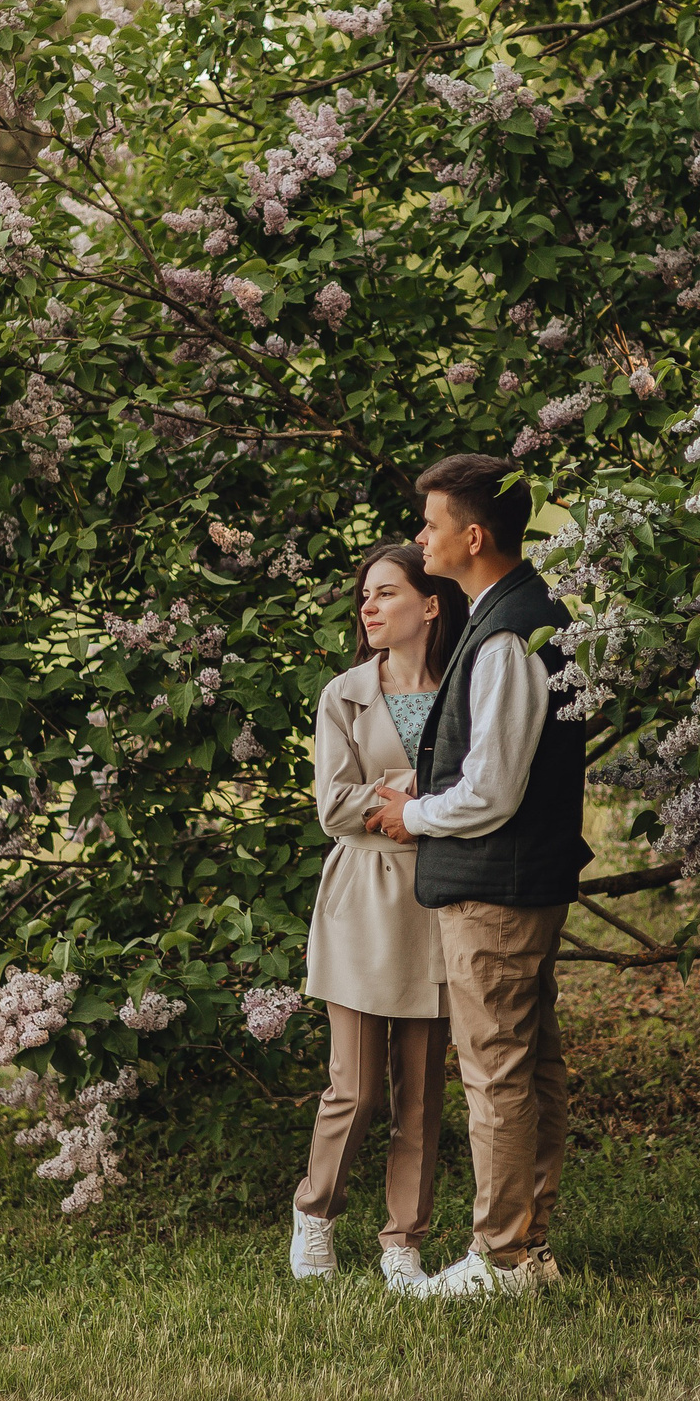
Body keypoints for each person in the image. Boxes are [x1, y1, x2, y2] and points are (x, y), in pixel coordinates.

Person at [368, 454, 593, 1299]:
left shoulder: (505, 635)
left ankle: (501, 1259)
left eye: (430, 524)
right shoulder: (518, 612)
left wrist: (414, 815)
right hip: (519, 878)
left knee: (496, 1070)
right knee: (528, 1064)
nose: (419, 536)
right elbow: (500, 763)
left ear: (471, 536)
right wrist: (428, 787)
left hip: (497, 887)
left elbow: (494, 791)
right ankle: (527, 1245)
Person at [289, 543, 469, 1293]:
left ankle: (404, 1241)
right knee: (356, 1088)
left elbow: (487, 785)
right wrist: (424, 796)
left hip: (438, 901)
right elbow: (335, 807)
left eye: (386, 592)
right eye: (365, 594)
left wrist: (405, 800)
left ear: (430, 605)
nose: (368, 606)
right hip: (362, 902)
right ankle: (315, 1213)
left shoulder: (465, 686)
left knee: (420, 1097)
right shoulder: (344, 695)